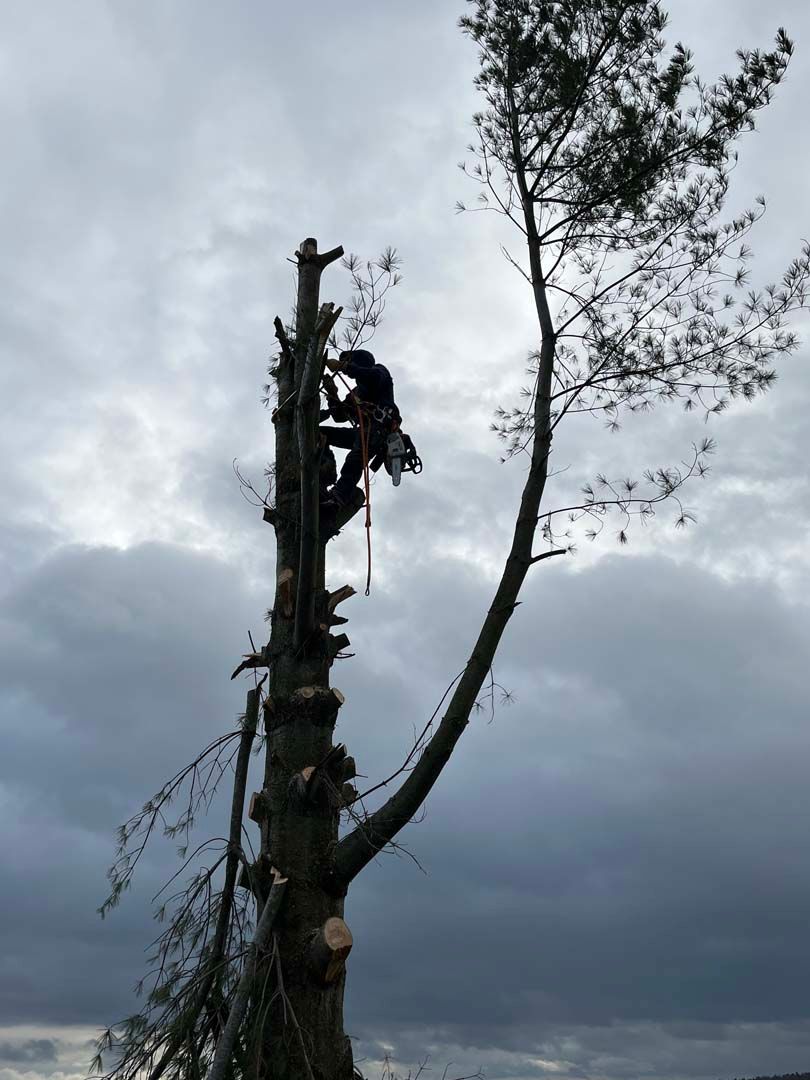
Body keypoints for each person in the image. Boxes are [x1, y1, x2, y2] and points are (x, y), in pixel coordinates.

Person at [319, 349, 400, 510]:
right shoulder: (355, 394)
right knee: (322, 433)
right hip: (362, 432)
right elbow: (339, 416)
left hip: (379, 428)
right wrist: (332, 393)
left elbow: (372, 377)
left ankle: (339, 496)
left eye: (351, 362)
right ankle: (324, 473)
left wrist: (343, 367)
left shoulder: (379, 371)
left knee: (355, 458)